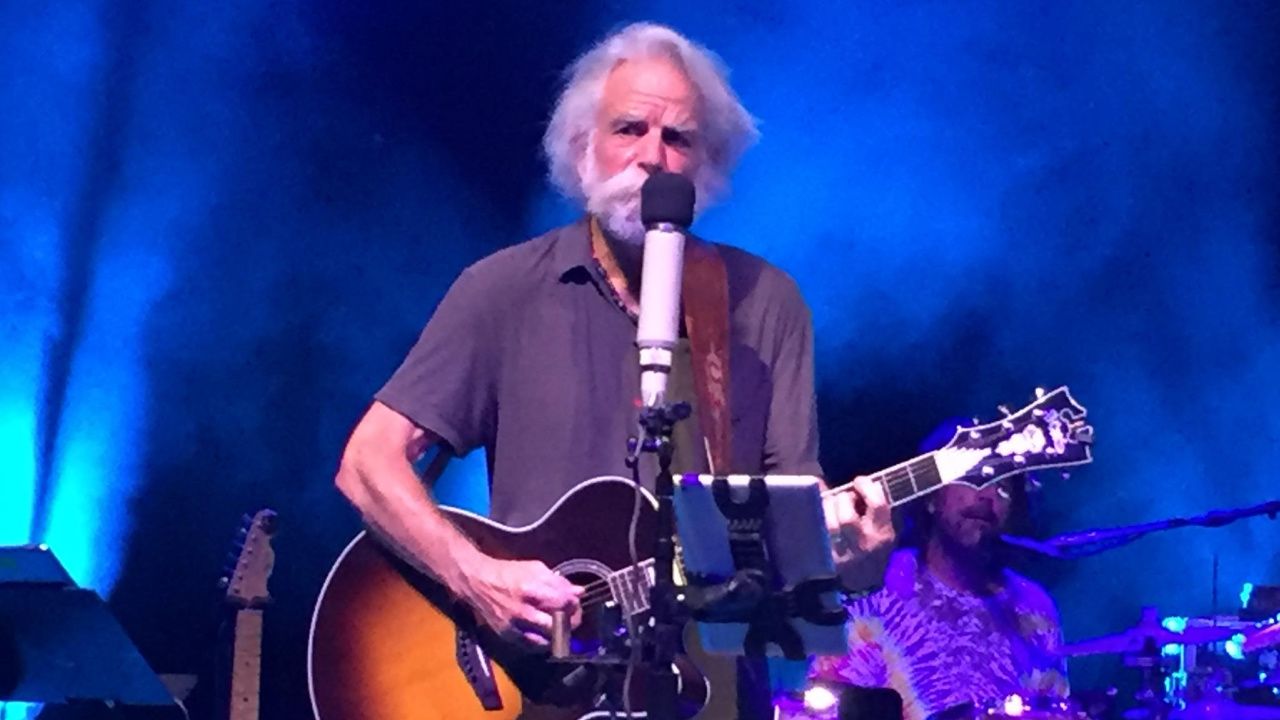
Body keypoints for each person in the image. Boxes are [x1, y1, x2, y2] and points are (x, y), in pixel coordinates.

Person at [333, 21, 895, 718]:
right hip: (535, 695)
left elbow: (792, 528)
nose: (652, 157)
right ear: (581, 148)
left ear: (707, 166)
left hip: (712, 697)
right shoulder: (503, 290)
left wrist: (851, 560)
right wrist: (477, 578)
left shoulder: (764, 304)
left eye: (679, 139)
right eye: (629, 128)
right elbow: (366, 463)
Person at [778, 421, 1068, 720]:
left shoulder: (1035, 607)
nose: (987, 495)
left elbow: (1052, 710)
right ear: (931, 497)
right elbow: (819, 705)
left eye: (1003, 486)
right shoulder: (876, 585)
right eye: (973, 479)